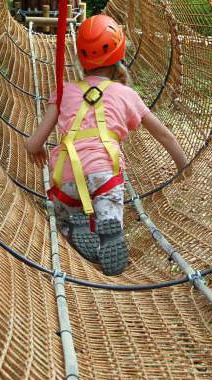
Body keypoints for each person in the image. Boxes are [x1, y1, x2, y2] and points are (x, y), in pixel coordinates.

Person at [25, 14, 187, 276]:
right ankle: (108, 224)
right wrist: (183, 167)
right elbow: (165, 135)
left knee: (65, 209)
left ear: (80, 57)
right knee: (108, 206)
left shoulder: (64, 91)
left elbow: (33, 143)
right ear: (119, 53)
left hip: (66, 173)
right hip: (104, 172)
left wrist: (36, 150)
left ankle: (73, 227)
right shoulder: (126, 94)